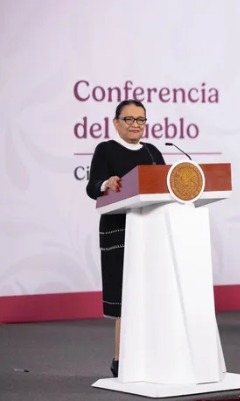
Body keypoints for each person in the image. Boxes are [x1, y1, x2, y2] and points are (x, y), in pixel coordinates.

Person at [86, 100, 165, 376]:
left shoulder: (152, 152)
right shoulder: (106, 149)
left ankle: (154, 357)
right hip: (120, 230)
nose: (135, 125)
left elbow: (164, 186)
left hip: (150, 229)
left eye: (140, 119)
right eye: (129, 119)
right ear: (116, 122)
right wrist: (106, 183)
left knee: (151, 295)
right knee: (125, 298)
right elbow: (92, 187)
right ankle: (120, 360)